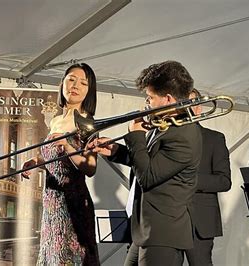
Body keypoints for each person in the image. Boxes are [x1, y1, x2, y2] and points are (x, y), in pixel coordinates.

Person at [93, 60, 202, 265]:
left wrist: (136, 137)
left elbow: (148, 177)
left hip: (163, 234)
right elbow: (151, 163)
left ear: (168, 99)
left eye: (150, 97)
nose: (147, 103)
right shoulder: (167, 125)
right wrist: (116, 151)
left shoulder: (184, 135)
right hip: (147, 229)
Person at [22, 63, 99, 265]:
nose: (75, 85)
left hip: (73, 202)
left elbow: (90, 167)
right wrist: (35, 162)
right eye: (71, 79)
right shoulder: (55, 120)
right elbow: (52, 159)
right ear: (62, 83)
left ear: (89, 91)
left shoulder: (87, 122)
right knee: (52, 255)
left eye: (83, 83)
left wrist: (67, 146)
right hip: (51, 201)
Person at [182, 89, 232, 266]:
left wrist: (188, 179)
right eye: (182, 104)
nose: (186, 109)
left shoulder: (214, 139)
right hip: (167, 219)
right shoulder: (163, 138)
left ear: (199, 108)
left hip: (200, 222)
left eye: (191, 104)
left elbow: (224, 181)